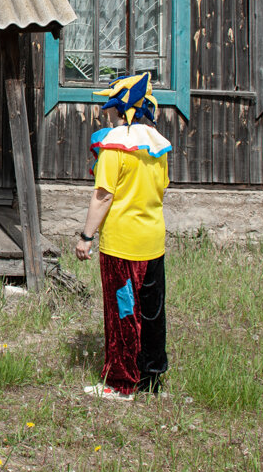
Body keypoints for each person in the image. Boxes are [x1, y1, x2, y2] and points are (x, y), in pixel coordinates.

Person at [74, 73, 172, 402]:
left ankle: (121, 383)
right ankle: (151, 377)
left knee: (123, 314)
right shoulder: (158, 146)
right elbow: (162, 189)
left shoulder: (114, 146)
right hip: (152, 240)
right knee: (151, 311)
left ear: (121, 109)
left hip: (122, 244)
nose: (108, 115)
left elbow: (103, 196)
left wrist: (86, 236)